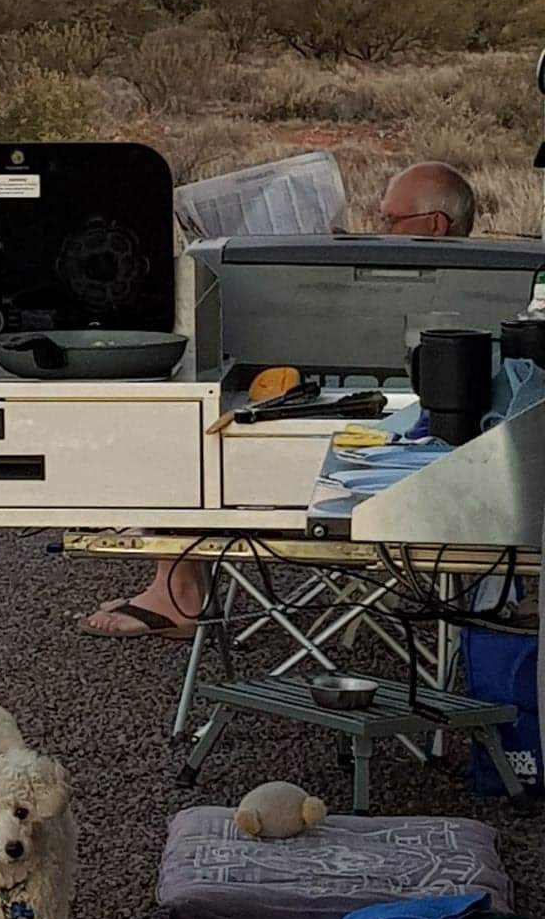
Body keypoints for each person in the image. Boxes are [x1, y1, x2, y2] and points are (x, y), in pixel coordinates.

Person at [82, 159, 476, 639]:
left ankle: (181, 590)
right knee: (191, 418)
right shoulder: (378, 275)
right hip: (322, 439)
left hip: (373, 467)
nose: (379, 230)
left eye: (390, 221)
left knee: (209, 438)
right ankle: (178, 581)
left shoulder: (463, 295)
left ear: (435, 225)